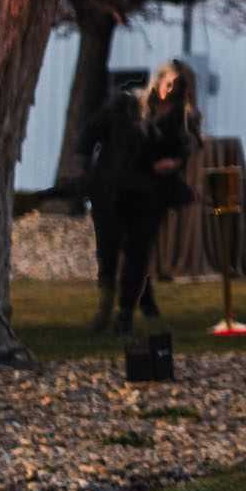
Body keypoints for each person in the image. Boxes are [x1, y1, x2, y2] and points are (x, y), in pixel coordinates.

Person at [82, 61, 201, 335]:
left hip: (150, 192)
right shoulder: (128, 106)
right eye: (169, 83)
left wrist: (173, 163)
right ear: (159, 81)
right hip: (116, 187)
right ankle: (107, 307)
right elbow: (92, 135)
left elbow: (184, 149)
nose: (171, 90)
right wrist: (89, 169)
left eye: (178, 86)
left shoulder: (182, 119)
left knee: (137, 252)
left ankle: (124, 313)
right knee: (109, 250)